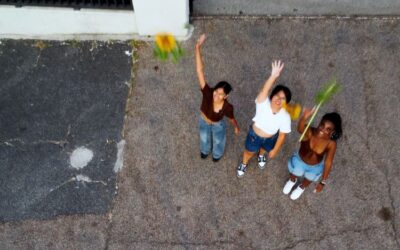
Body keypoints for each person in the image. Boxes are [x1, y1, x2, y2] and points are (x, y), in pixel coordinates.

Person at [237, 61, 291, 177]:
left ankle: (261, 155)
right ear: (272, 96)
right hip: (254, 136)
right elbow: (264, 90)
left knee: (264, 149)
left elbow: (282, 135)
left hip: (271, 138)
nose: (279, 99)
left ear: (286, 102)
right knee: (248, 152)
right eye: (277, 95)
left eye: (283, 98)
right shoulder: (263, 102)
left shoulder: (286, 116)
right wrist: (273, 76)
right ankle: (244, 163)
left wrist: (275, 150)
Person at [195, 34, 240, 162]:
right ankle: (204, 150)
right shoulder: (208, 92)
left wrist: (236, 127)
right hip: (204, 120)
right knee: (204, 137)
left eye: (221, 94)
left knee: (218, 140)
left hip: (217, 125)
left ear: (226, 96)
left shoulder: (227, 107)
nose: (216, 95)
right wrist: (197, 48)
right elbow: (200, 71)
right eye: (216, 91)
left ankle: (217, 154)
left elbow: (231, 118)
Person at [283, 111, 342, 200]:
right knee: (294, 173)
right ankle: (292, 181)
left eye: (328, 129)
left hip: (315, 167)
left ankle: (301, 187)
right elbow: (300, 129)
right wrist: (304, 117)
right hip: (300, 160)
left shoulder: (331, 143)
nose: (322, 129)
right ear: (320, 122)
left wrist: (323, 181)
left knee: (309, 179)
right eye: (322, 124)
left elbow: (328, 162)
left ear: (332, 132)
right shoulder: (310, 131)